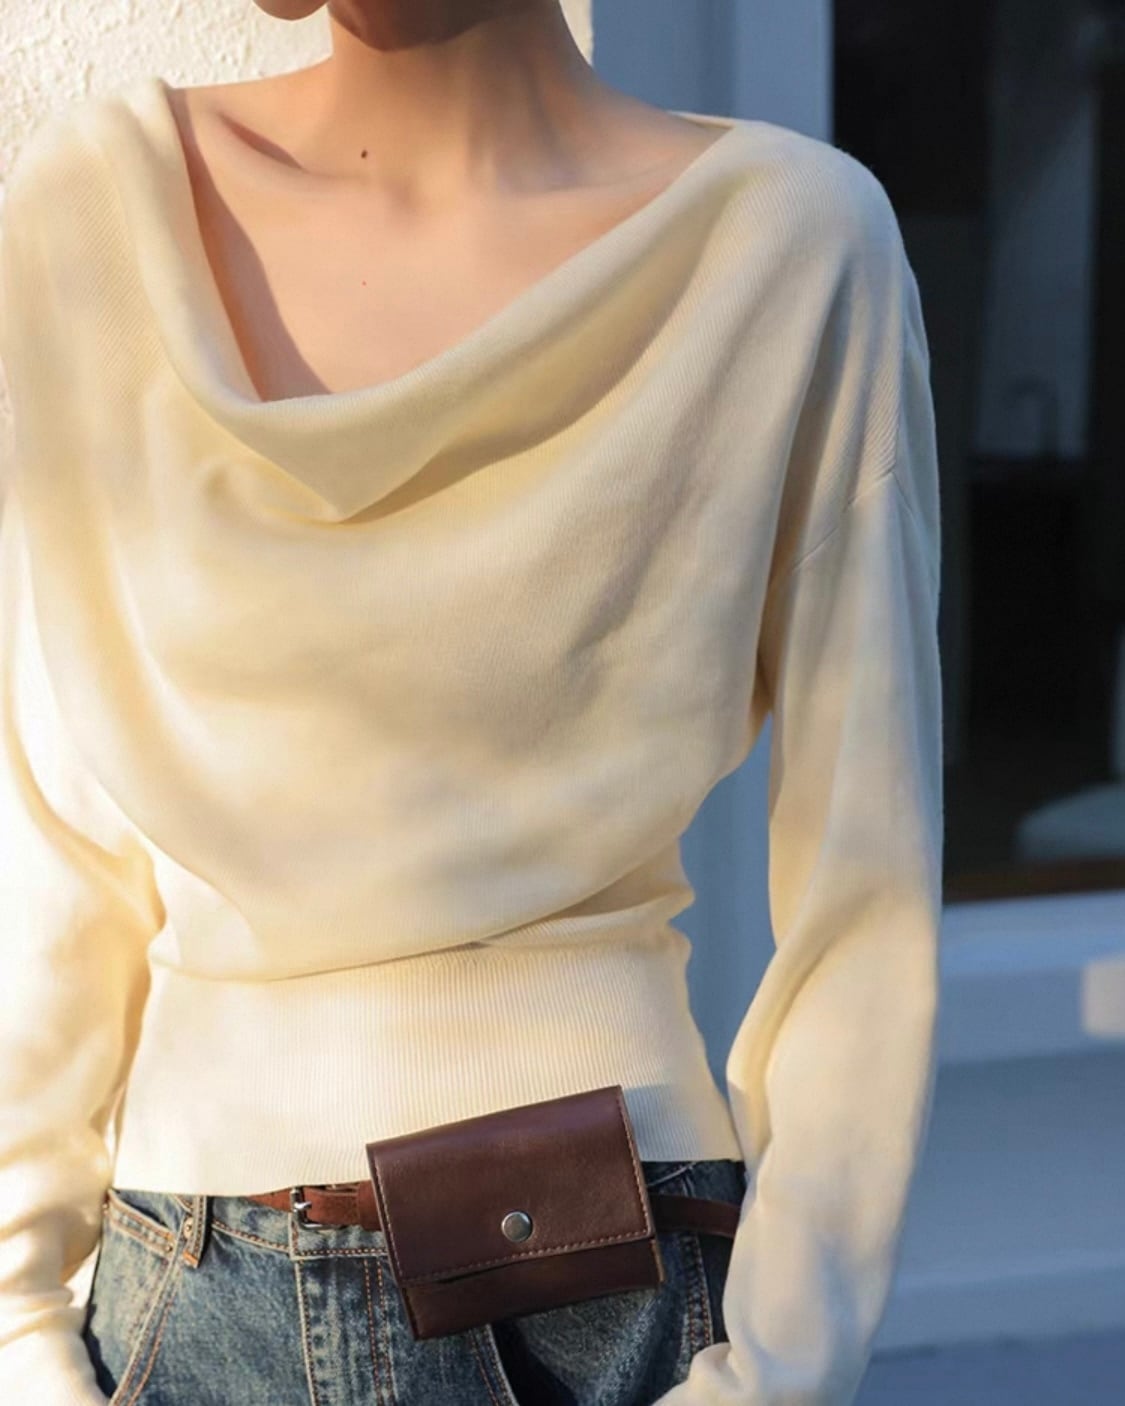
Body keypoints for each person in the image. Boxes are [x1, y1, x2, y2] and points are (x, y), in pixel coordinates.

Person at [0, 1, 944, 1403]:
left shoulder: (789, 246)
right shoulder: (92, 216)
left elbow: (866, 882)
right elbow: (53, 824)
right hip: (186, 1294)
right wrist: (18, 1325)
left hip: (610, 1287)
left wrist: (780, 1369)